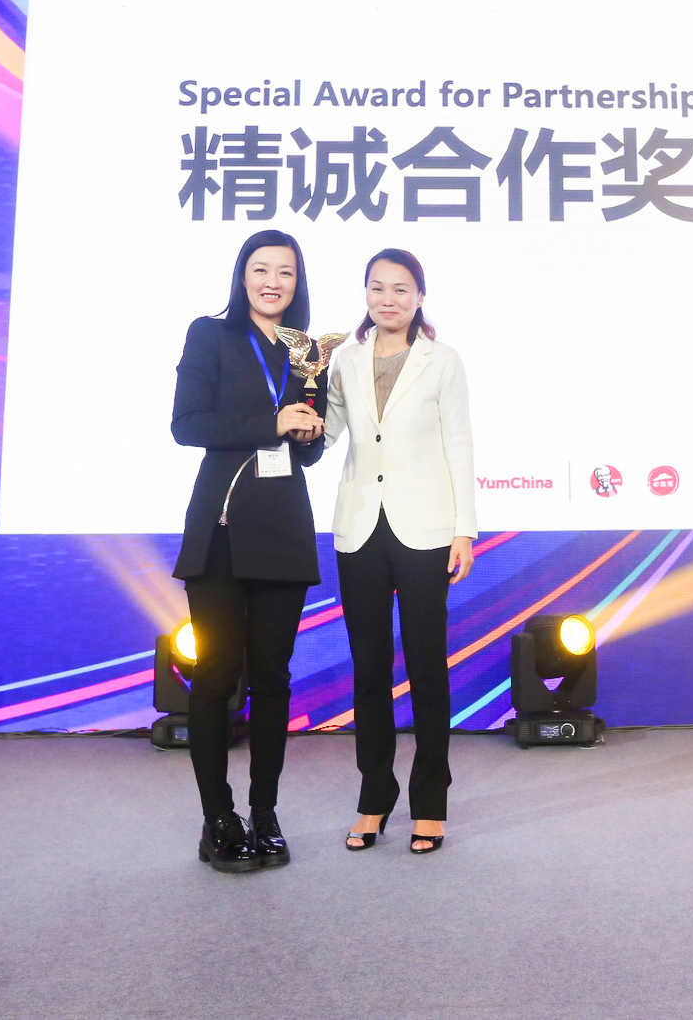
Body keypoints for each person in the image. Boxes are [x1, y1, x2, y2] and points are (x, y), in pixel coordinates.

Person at [170, 230, 326, 873]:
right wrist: (272, 422)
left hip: (282, 528)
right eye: (261, 270)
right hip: (223, 527)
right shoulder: (211, 335)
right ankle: (218, 819)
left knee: (273, 680)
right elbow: (186, 425)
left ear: (297, 283)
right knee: (213, 677)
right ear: (242, 276)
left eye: (285, 272)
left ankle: (264, 814)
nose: (272, 282)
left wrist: (310, 433)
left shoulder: (307, 351)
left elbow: (307, 454)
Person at [325, 248, 475, 855]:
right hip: (360, 528)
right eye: (377, 288)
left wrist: (464, 529)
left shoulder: (444, 361)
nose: (388, 299)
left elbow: (459, 443)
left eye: (401, 289)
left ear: (419, 297)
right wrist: (294, 402)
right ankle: (374, 796)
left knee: (427, 667)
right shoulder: (344, 359)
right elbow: (328, 432)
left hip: (427, 530)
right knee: (368, 671)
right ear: (365, 294)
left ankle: (430, 802)